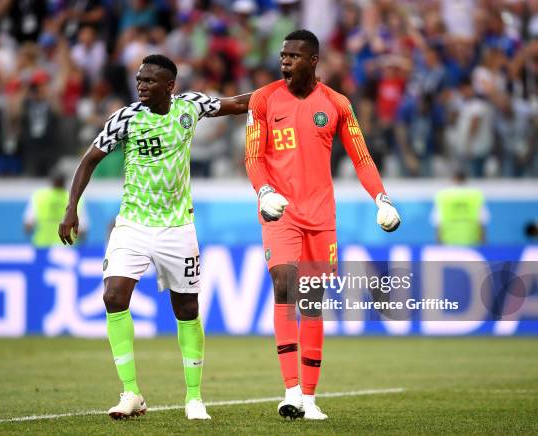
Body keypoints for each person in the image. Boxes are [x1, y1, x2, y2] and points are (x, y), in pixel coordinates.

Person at [58, 54, 250, 420]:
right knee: (113, 295)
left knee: (187, 309)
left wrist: (284, 90)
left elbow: (240, 103)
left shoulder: (191, 106)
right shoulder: (125, 118)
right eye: (140, 80)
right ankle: (130, 392)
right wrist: (71, 208)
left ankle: (194, 397)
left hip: (178, 227)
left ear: (170, 86)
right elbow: (88, 160)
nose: (142, 86)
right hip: (132, 223)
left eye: (149, 81)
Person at [244, 30, 400, 420]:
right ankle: (290, 390)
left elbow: (361, 158)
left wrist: (381, 197)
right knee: (283, 284)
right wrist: (264, 192)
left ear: (313, 60)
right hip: (279, 211)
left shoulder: (336, 104)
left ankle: (310, 399)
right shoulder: (263, 99)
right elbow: (252, 156)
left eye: (294, 56)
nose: (285, 62)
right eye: (283, 55)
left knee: (312, 302)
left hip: (321, 218)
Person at [24, 171, 88, 247]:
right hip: (68, 250)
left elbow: (28, 225)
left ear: (52, 181)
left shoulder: (39, 197)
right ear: (65, 182)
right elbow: (82, 230)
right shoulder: (76, 199)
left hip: (42, 247)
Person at [432, 171, 488, 245]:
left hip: (449, 241)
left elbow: (438, 223)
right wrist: (483, 243)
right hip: (471, 241)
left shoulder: (443, 196)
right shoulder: (475, 195)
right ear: (466, 180)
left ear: (452, 180)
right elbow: (482, 222)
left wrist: (438, 243)